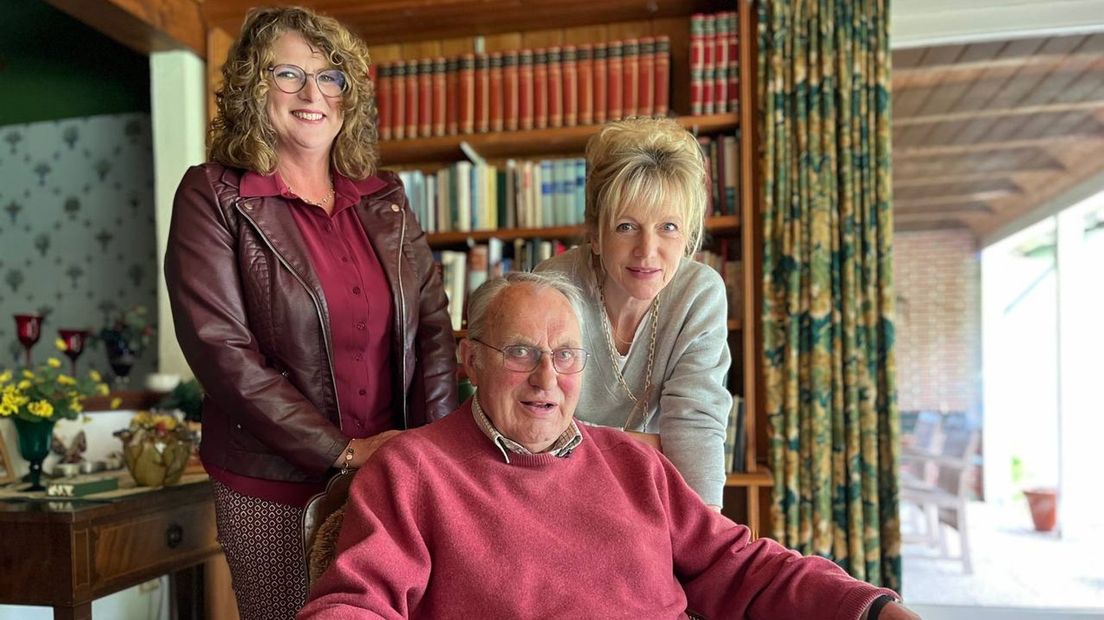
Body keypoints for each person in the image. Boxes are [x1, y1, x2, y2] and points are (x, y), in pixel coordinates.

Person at [298, 272, 919, 620]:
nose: (547, 379)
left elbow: (743, 568)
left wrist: (870, 610)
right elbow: (355, 606)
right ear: (471, 361)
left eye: (566, 355)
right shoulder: (414, 469)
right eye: (520, 353)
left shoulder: (634, 463)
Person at [164, 7, 457, 618]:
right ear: (252, 85)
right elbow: (222, 354)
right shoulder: (214, 195)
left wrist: (436, 455)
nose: (312, 94)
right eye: (289, 74)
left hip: (395, 477)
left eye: (331, 77)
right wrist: (344, 451)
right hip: (272, 484)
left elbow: (433, 334)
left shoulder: (387, 199)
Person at [535, 116, 731, 509]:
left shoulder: (699, 293)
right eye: (626, 226)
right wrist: (653, 446)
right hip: (550, 492)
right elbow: (538, 430)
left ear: (689, 235)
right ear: (594, 232)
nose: (647, 250)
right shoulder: (553, 288)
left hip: (647, 497)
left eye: (669, 227)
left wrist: (707, 548)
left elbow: (695, 429)